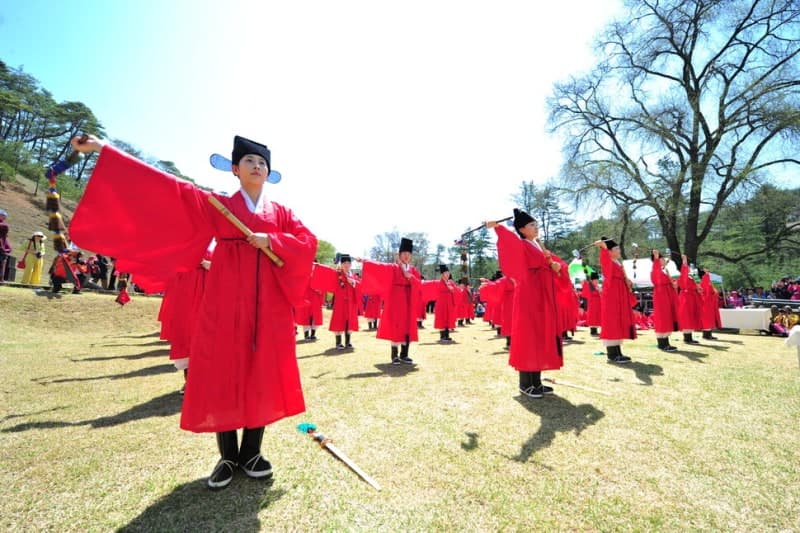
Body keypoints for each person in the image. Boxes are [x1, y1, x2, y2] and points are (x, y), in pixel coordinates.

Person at [69, 134, 317, 490]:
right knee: (224, 370)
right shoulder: (218, 205)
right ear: (235, 169)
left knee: (259, 372)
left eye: (262, 163)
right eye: (249, 161)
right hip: (226, 300)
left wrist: (272, 240)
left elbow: (307, 242)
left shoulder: (280, 214)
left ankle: (252, 452)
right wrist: (102, 150)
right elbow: (167, 187)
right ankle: (227, 456)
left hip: (268, 308)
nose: (257, 166)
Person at [487, 209, 562, 398]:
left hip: (542, 296)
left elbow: (556, 264)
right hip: (529, 295)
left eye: (536, 224)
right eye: (531, 225)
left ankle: (536, 381)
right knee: (529, 336)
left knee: (540, 337)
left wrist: (557, 266)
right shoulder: (521, 245)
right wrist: (498, 227)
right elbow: (509, 243)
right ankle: (525, 383)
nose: (536, 228)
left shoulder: (538, 246)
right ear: (521, 229)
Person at [360, 238, 421, 365]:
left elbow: (419, 284)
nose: (406, 256)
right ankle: (394, 355)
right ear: (399, 255)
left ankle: (405, 354)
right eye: (404, 254)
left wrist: (411, 277)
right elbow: (379, 267)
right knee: (396, 325)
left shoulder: (413, 270)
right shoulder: (393, 267)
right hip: (395, 300)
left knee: (407, 326)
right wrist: (365, 262)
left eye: (408, 254)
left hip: (408, 300)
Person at [594, 237, 636, 363]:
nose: (619, 250)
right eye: (616, 248)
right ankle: (612, 354)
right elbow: (604, 259)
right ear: (610, 251)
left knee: (618, 320)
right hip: (612, 292)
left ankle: (618, 351)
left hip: (619, 292)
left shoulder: (618, 262)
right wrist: (603, 247)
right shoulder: (608, 261)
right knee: (612, 320)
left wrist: (627, 282)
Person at [311, 254, 360, 350]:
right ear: (341, 265)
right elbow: (326, 271)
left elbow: (360, 286)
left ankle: (348, 342)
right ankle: (338, 342)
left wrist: (353, 283)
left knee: (349, 322)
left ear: (351, 264)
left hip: (350, 303)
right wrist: (316, 265)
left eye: (348, 263)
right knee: (339, 321)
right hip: (340, 303)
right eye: (344, 263)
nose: (346, 265)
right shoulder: (337, 274)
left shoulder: (353, 276)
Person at [650, 249, 678, 351]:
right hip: (661, 295)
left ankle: (666, 342)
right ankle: (662, 343)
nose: (663, 260)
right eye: (661, 259)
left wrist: (673, 284)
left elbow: (670, 281)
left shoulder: (665, 270)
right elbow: (656, 268)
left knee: (668, 316)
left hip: (668, 293)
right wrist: (656, 257)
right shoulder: (655, 269)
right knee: (663, 316)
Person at [678, 255, 704, 344]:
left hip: (692, 296)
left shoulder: (692, 277)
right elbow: (684, 270)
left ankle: (689, 337)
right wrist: (684, 261)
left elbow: (695, 282)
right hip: (686, 297)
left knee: (691, 316)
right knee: (687, 316)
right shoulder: (684, 276)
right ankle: (687, 338)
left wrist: (698, 288)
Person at [433, 264, 457, 343]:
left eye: (448, 273)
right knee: (442, 318)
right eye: (446, 273)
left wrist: (451, 288)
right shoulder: (439, 282)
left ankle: (447, 335)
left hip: (449, 303)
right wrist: (449, 288)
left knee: (448, 319)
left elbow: (455, 290)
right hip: (442, 304)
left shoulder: (450, 282)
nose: (448, 274)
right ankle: (442, 336)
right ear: (442, 274)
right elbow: (441, 290)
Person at [699, 265, 722, 340]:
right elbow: (706, 290)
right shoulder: (702, 279)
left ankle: (709, 334)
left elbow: (712, 289)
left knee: (710, 317)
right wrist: (713, 291)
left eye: (708, 270)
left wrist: (715, 291)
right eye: (705, 270)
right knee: (707, 318)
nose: (707, 271)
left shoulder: (710, 279)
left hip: (710, 300)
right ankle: (706, 335)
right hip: (705, 300)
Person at [580, 272, 602, 336]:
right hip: (592, 303)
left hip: (598, 304)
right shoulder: (590, 285)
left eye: (597, 280)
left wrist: (600, 290)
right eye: (595, 280)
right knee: (593, 316)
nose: (597, 281)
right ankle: (592, 331)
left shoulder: (597, 286)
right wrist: (585, 281)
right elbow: (585, 287)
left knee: (597, 316)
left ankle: (595, 330)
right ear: (592, 280)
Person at [0, 208, 10, 282]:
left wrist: (6, 249)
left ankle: (1, 279)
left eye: (4, 216)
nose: (4, 217)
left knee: (2, 264)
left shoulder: (4, 225)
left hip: (1, 248)